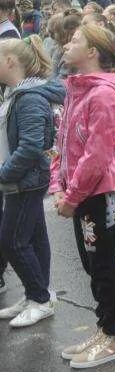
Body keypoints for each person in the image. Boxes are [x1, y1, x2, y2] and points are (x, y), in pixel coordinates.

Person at [50, 24, 115, 368]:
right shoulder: (76, 89)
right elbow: (63, 144)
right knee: (91, 264)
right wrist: (60, 186)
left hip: (100, 194)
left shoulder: (104, 94)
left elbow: (98, 155)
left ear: (93, 52)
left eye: (75, 41)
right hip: (80, 192)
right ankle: (106, 328)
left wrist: (72, 196)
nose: (67, 45)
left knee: (104, 265)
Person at [0, 37, 63, 329]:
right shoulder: (17, 94)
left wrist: (4, 174)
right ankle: (36, 295)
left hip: (24, 181)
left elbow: (31, 146)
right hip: (22, 179)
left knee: (12, 241)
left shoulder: (29, 98)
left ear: (10, 61)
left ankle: (39, 299)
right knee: (34, 237)